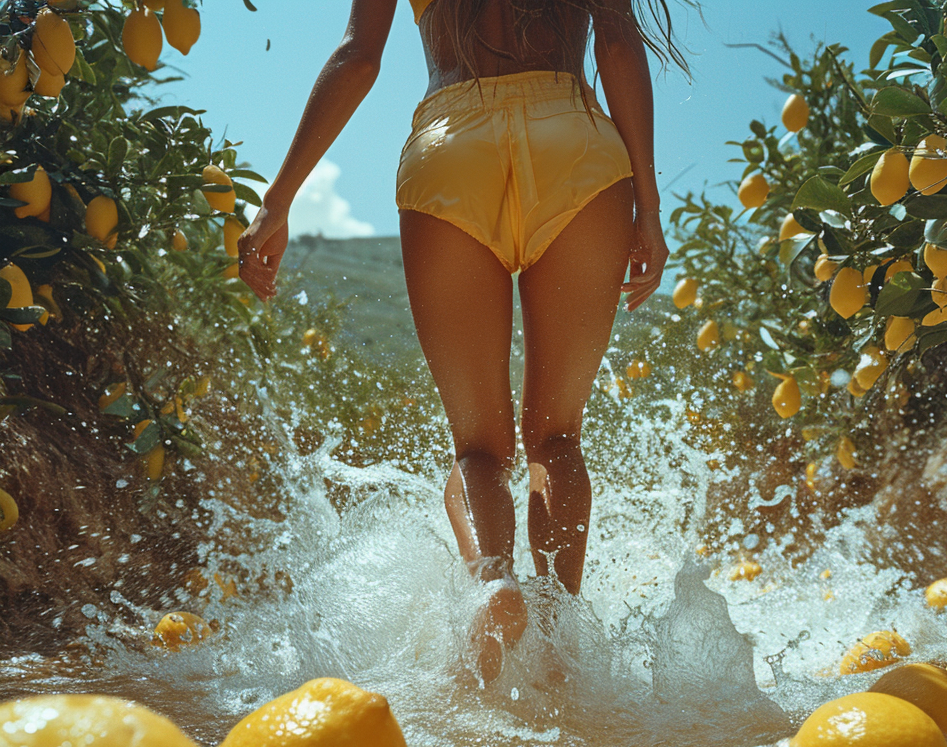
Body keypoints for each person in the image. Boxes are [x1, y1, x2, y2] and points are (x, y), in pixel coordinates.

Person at [238, 0, 690, 682]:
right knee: (557, 439)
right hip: (575, 142)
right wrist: (648, 209)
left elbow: (359, 57)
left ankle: (491, 588)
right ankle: (558, 639)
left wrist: (279, 199)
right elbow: (620, 47)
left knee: (479, 448)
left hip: (452, 147)